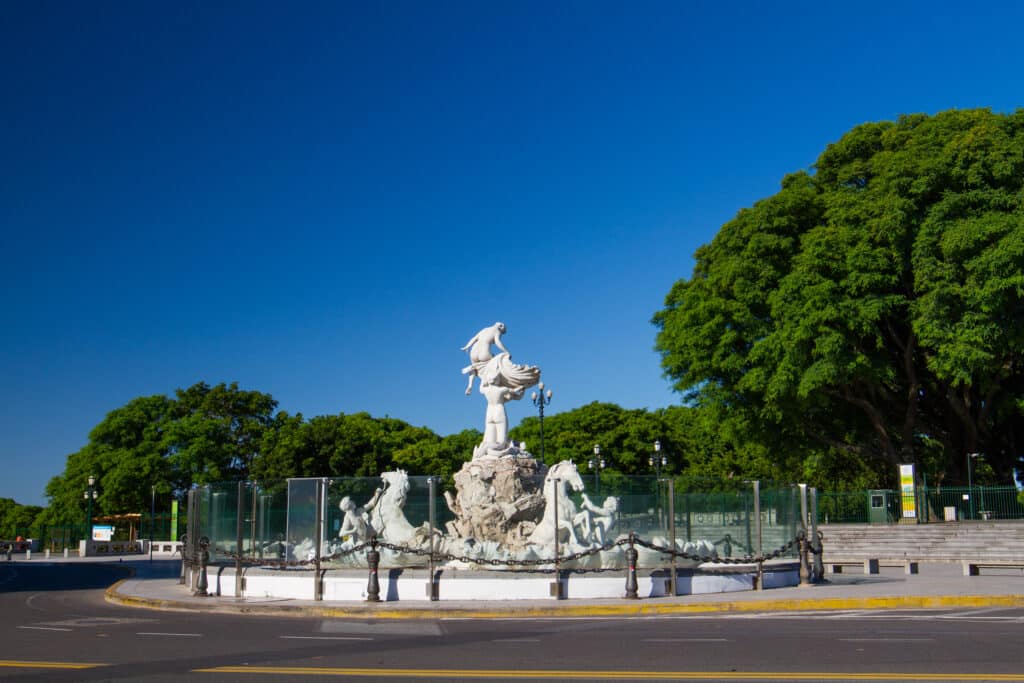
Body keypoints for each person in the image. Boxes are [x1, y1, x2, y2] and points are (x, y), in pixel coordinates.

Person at [461, 322, 508, 394]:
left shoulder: (485, 329)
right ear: (500, 327)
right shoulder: (497, 331)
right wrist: (506, 351)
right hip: (484, 353)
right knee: (495, 364)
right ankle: (487, 381)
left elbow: (474, 338)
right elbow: (498, 342)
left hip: (473, 352)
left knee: (474, 367)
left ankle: (470, 385)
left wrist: (467, 347)